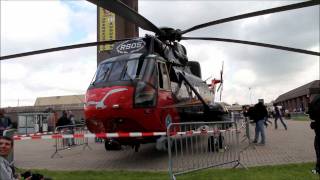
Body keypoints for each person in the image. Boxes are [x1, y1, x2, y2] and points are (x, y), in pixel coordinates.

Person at [308, 89, 320, 175]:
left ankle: (318, 169)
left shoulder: (316, 100)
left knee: (318, 147)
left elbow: (312, 114)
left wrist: (314, 123)